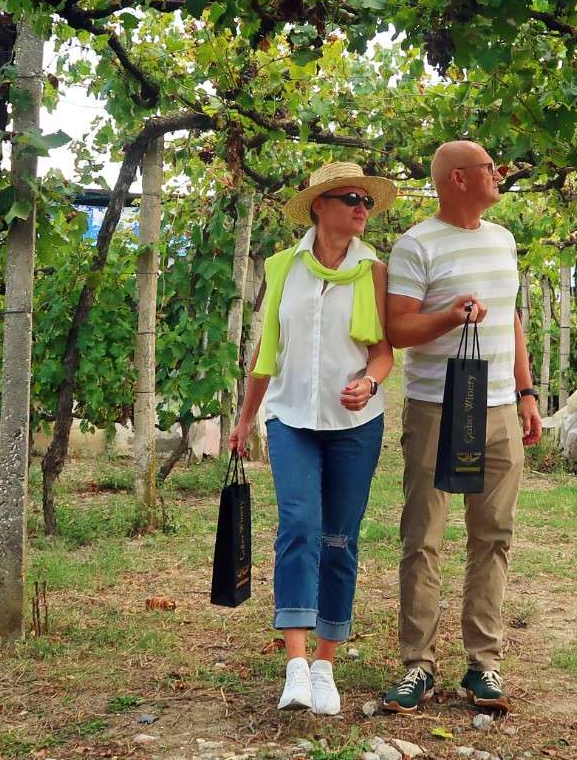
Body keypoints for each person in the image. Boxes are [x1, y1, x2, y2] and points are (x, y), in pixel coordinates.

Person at [229, 161, 399, 716]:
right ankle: (296, 665)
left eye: (367, 201)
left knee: (339, 538)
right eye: (351, 198)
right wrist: (244, 416)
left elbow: (383, 351)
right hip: (292, 418)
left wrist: (369, 381)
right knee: (299, 526)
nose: (361, 208)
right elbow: (267, 350)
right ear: (319, 206)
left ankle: (326, 663)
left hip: (355, 425)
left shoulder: (374, 270)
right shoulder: (284, 268)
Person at [380, 140, 541, 715]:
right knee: (423, 536)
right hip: (435, 408)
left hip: (497, 407)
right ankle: (417, 667)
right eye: (489, 169)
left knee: (493, 534)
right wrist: (450, 315)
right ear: (457, 180)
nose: (500, 174)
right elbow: (397, 330)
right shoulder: (416, 244)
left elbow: (513, 318)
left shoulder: (503, 240)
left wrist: (525, 391)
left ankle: (484, 666)